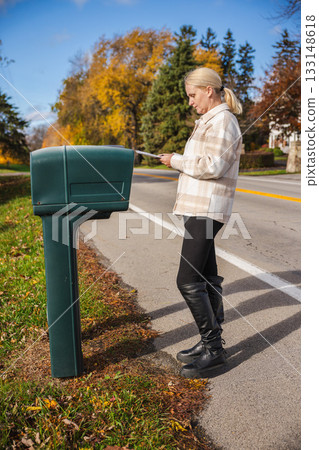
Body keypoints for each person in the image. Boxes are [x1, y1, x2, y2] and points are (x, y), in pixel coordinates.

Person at [160, 67, 242, 378]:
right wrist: (177, 159)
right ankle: (211, 343)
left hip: (208, 209)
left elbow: (215, 165)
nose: (191, 102)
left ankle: (214, 352)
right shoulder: (210, 120)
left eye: (193, 95)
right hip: (200, 208)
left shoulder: (222, 120)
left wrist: (176, 160)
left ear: (209, 90)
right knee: (207, 278)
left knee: (187, 280)